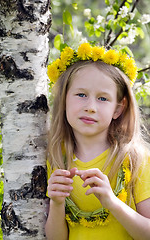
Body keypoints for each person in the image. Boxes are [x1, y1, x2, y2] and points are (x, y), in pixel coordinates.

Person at [45, 43, 150, 240]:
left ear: (118, 109)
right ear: (64, 99)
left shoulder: (135, 159)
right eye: (81, 95)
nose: (91, 107)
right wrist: (57, 203)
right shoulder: (57, 157)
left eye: (102, 99)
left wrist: (112, 202)